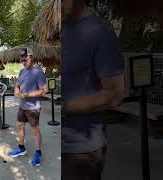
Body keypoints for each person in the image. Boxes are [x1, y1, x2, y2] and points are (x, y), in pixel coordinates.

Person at [61, 0, 125, 179]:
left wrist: (64, 107)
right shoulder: (58, 32)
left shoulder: (100, 32)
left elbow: (115, 95)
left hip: (81, 151)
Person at [8, 48, 47, 167]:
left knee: (34, 129)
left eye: (25, 59)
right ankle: (21, 148)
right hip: (22, 106)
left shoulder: (38, 72)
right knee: (19, 125)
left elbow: (44, 90)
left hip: (33, 107)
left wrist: (27, 95)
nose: (23, 62)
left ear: (31, 57)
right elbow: (17, 85)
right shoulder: (22, 71)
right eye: (22, 60)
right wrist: (16, 91)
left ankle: (38, 153)